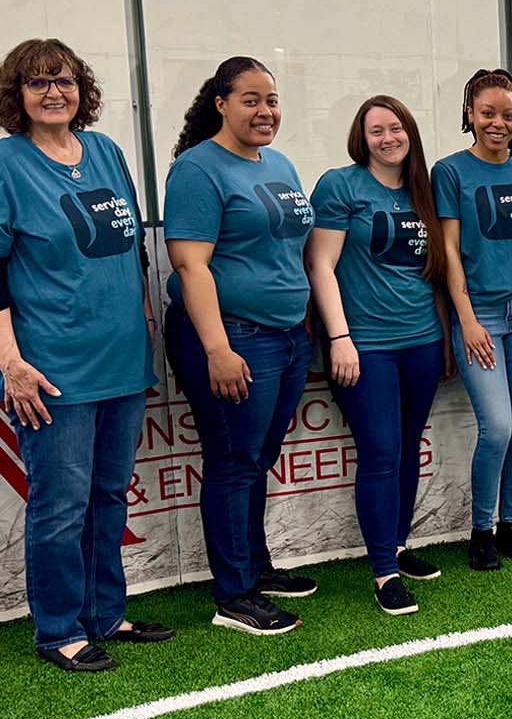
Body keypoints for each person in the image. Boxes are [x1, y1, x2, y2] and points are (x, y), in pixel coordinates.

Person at [0, 38, 172, 672]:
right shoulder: (6, 164)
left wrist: (147, 320)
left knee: (107, 495)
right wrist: (10, 364)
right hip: (51, 369)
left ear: (82, 89)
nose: (54, 92)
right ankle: (58, 630)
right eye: (38, 82)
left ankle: (106, 615)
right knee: (60, 503)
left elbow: (129, 250)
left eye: (64, 80)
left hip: (121, 360)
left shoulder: (105, 151)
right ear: (16, 95)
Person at [163, 56, 316, 635]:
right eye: (251, 99)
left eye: (272, 100)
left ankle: (255, 566)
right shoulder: (198, 170)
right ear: (221, 104)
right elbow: (190, 265)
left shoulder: (278, 163)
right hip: (233, 338)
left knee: (256, 461)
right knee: (233, 463)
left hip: (286, 338)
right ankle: (234, 594)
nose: (265, 111)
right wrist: (218, 349)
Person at [307, 96, 450, 615]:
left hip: (422, 340)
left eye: (395, 128)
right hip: (365, 345)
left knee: (409, 446)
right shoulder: (340, 185)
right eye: (375, 131)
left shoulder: (424, 192)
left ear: (410, 132)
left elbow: (434, 271)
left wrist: (447, 338)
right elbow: (321, 265)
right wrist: (340, 337)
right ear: (360, 139)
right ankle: (383, 572)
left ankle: (399, 545)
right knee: (382, 451)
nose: (387, 138)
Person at [434, 69, 512, 571]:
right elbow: (448, 250)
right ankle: (481, 530)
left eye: (508, 115)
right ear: (470, 114)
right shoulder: (450, 172)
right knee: (498, 427)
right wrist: (465, 319)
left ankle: (511, 524)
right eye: (487, 113)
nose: (498, 123)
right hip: (479, 315)